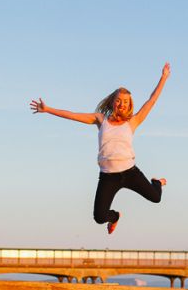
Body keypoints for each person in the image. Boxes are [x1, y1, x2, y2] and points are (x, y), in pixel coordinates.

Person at [30, 63, 171, 234]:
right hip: (108, 177)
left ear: (129, 105)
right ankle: (115, 217)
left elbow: (152, 100)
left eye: (125, 102)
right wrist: (48, 109)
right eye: (118, 100)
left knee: (156, 198)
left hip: (130, 172)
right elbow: (74, 115)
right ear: (113, 102)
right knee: (99, 217)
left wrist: (163, 77)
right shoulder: (100, 119)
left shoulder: (133, 121)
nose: (122, 104)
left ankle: (156, 182)